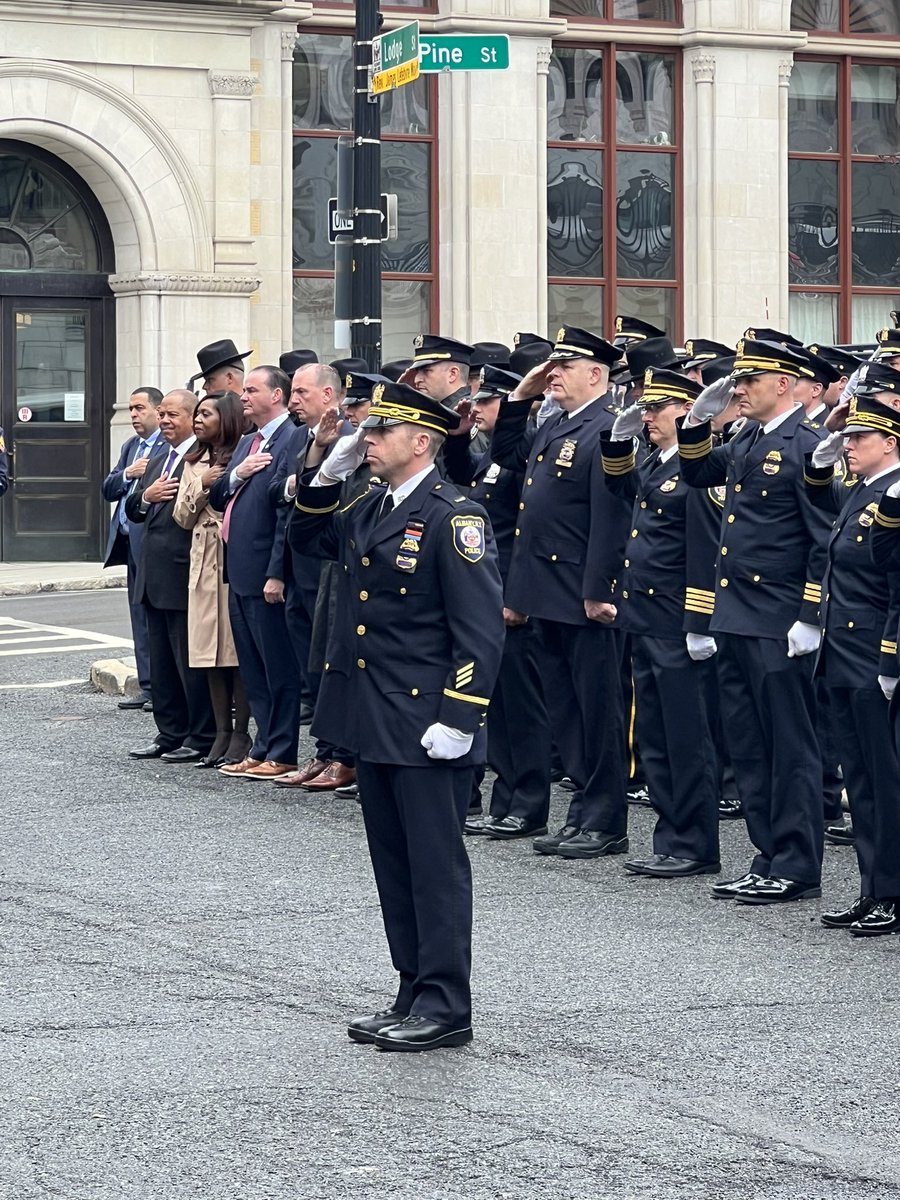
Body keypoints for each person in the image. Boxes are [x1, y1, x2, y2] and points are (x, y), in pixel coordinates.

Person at [288, 381, 504, 1052]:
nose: (368, 440)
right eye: (367, 431)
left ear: (421, 441)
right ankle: (412, 987)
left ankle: (446, 1003)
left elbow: (480, 631)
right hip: (373, 718)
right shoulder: (372, 505)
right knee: (395, 864)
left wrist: (460, 717)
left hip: (427, 723)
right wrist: (324, 471)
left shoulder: (453, 516)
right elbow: (306, 536)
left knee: (435, 867)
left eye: (381, 432)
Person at [677, 338, 834, 905]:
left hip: (779, 619)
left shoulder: (808, 446)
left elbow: (824, 541)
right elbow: (696, 473)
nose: (737, 389)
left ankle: (796, 863)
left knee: (789, 745)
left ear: (784, 384)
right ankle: (767, 855)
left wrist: (811, 616)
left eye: (749, 381)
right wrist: (696, 417)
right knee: (748, 742)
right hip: (738, 614)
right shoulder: (749, 436)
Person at [491, 325, 633, 861]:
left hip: (580, 595)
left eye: (564, 367)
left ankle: (606, 820)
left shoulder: (608, 426)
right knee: (566, 712)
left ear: (595, 374)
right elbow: (507, 454)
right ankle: (582, 813)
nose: (554, 374)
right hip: (544, 591)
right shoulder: (556, 424)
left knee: (597, 712)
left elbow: (611, 515)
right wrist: (522, 395)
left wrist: (598, 590)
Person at [600, 368, 721, 877]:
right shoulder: (655, 461)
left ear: (686, 412)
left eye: (656, 409)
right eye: (645, 408)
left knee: (685, 736)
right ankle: (670, 836)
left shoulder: (698, 472)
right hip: (644, 617)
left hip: (675, 618)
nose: (646, 415)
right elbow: (619, 485)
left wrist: (699, 621)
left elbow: (705, 549)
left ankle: (694, 843)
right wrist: (617, 437)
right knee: (654, 734)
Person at [442, 364, 552, 840]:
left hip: (513, 594)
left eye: (488, 402)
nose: (478, 408)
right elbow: (464, 479)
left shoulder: (522, 451)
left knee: (524, 709)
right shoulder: (488, 454)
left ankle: (528, 802)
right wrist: (458, 436)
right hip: (490, 594)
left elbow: (523, 530)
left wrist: (516, 594)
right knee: (499, 707)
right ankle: (505, 797)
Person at [806, 390, 900, 936]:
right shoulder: (860, 490)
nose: (848, 446)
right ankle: (872, 886)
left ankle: (892, 890)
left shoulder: (894, 494)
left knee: (885, 780)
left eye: (859, 438)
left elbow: (895, 586)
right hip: (841, 655)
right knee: (859, 780)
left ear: (889, 442)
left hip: (872, 656)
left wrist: (890, 654)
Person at [210, 366, 303, 780]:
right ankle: (263, 745)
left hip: (266, 569)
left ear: (277, 396)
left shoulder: (292, 437)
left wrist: (277, 572)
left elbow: (286, 512)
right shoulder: (249, 441)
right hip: (239, 568)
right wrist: (237, 473)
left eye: (252, 390)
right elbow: (217, 494)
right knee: (252, 666)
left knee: (276, 665)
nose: (242, 396)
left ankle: (282, 749)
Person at [124, 390, 217, 762]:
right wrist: (147, 495)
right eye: (160, 414)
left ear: (192, 417)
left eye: (172, 415)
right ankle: (169, 731)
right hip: (152, 574)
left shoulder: (203, 457)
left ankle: (200, 734)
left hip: (183, 574)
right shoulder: (158, 457)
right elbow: (133, 509)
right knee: (161, 664)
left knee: (188, 662)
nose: (163, 421)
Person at [173, 391, 252, 768]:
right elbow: (181, 516)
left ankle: (241, 732)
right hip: (203, 564)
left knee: (236, 652)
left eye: (207, 413)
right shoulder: (194, 459)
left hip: (232, 558)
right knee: (209, 652)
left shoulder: (247, 451)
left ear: (229, 417)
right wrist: (203, 482)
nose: (199, 420)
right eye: (198, 413)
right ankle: (220, 730)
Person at [101, 387, 166, 710]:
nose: (134, 415)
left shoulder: (167, 447)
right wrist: (129, 472)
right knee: (138, 613)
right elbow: (108, 488)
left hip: (153, 542)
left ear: (158, 410)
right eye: (130, 409)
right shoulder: (130, 447)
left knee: (156, 614)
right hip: (129, 541)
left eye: (140, 408)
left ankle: (163, 688)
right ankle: (148, 685)